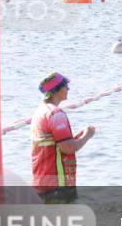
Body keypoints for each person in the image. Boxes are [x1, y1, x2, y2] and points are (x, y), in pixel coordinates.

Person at [31, 72, 95, 203]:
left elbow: (53, 144)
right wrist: (87, 136)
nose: (68, 89)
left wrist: (75, 138)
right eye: (65, 85)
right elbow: (68, 148)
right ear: (56, 90)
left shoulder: (39, 111)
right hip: (58, 185)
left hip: (42, 182)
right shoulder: (56, 114)